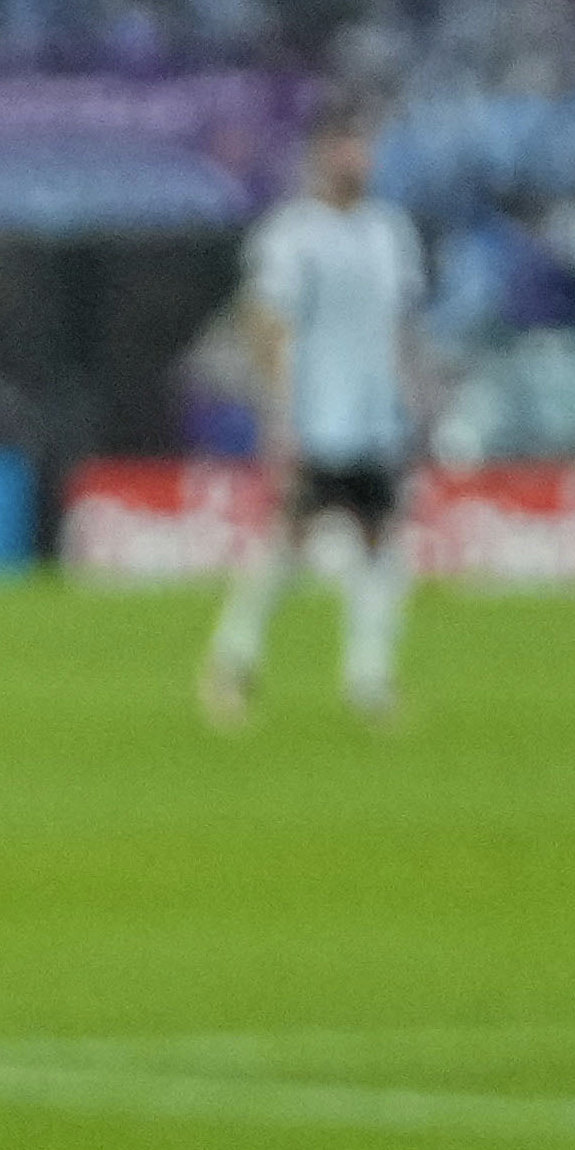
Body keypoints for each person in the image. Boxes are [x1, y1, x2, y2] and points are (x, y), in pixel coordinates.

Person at [205, 120, 429, 728]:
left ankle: (369, 679)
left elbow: (401, 326)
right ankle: (233, 662)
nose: (358, 156)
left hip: (376, 418)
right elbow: (264, 320)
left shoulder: (390, 233)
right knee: (289, 545)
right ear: (323, 157)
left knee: (382, 544)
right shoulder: (293, 234)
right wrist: (279, 408)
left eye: (364, 144)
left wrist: (413, 397)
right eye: (347, 146)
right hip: (316, 416)